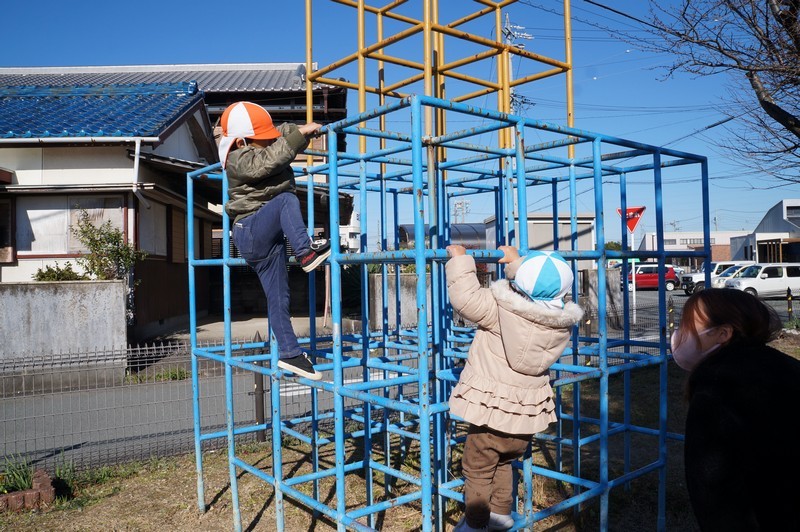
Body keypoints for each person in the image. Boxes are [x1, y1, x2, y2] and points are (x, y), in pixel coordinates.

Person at [446, 245, 583, 532]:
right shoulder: (559, 324)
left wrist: (461, 260)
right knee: (504, 461)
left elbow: (465, 298)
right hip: (525, 415)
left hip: (493, 409)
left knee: (477, 466)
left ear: (520, 281)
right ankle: (500, 513)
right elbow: (537, 286)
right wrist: (517, 262)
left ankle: (475, 524)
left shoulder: (499, 309)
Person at [219, 101, 330, 381]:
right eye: (262, 138)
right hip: (250, 228)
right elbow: (269, 160)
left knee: (279, 298)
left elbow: (280, 135)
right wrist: (298, 136)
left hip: (265, 235)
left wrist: (300, 131)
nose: (268, 141)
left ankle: (290, 354)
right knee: (285, 200)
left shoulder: (258, 144)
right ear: (242, 141)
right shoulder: (237, 158)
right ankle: (305, 253)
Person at [672, 288, 800, 531]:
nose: (680, 333)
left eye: (688, 325)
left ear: (723, 333)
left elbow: (714, 494)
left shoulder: (715, 390)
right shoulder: (787, 367)